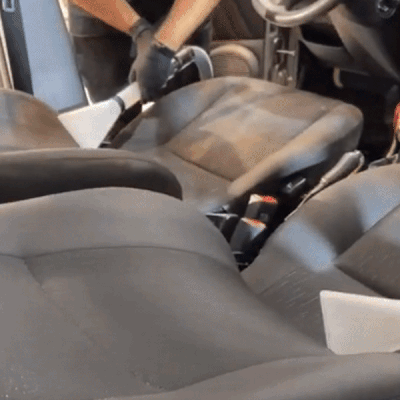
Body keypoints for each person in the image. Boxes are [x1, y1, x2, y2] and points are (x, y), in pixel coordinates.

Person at [68, 0, 220, 103]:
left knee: (191, 118)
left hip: (182, 13)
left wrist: (164, 45)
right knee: (123, 132)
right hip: (105, 21)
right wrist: (139, 31)